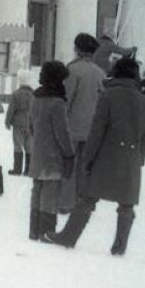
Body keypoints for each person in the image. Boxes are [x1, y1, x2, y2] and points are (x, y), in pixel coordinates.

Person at [43, 58, 145, 256]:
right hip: (131, 158)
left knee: (87, 199)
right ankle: (119, 247)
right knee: (126, 205)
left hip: (105, 157)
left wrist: (88, 158)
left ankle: (68, 237)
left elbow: (97, 131)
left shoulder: (108, 96)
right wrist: (140, 159)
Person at [57, 33, 105, 213]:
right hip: (93, 130)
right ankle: (83, 202)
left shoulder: (72, 71)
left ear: (76, 49)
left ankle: (65, 202)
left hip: (72, 128)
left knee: (68, 165)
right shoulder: (100, 73)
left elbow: (65, 100)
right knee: (85, 167)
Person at [28, 60, 74, 241]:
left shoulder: (36, 98)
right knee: (50, 193)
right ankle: (46, 230)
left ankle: (33, 228)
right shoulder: (57, 102)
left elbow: (31, 125)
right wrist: (69, 153)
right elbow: (62, 132)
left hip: (38, 151)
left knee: (37, 190)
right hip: (53, 155)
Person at [5, 68, 34, 176]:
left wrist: (8, 121)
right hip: (31, 123)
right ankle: (28, 169)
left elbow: (11, 109)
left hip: (18, 122)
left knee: (18, 145)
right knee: (29, 146)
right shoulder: (34, 94)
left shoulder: (16, 94)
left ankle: (17, 168)